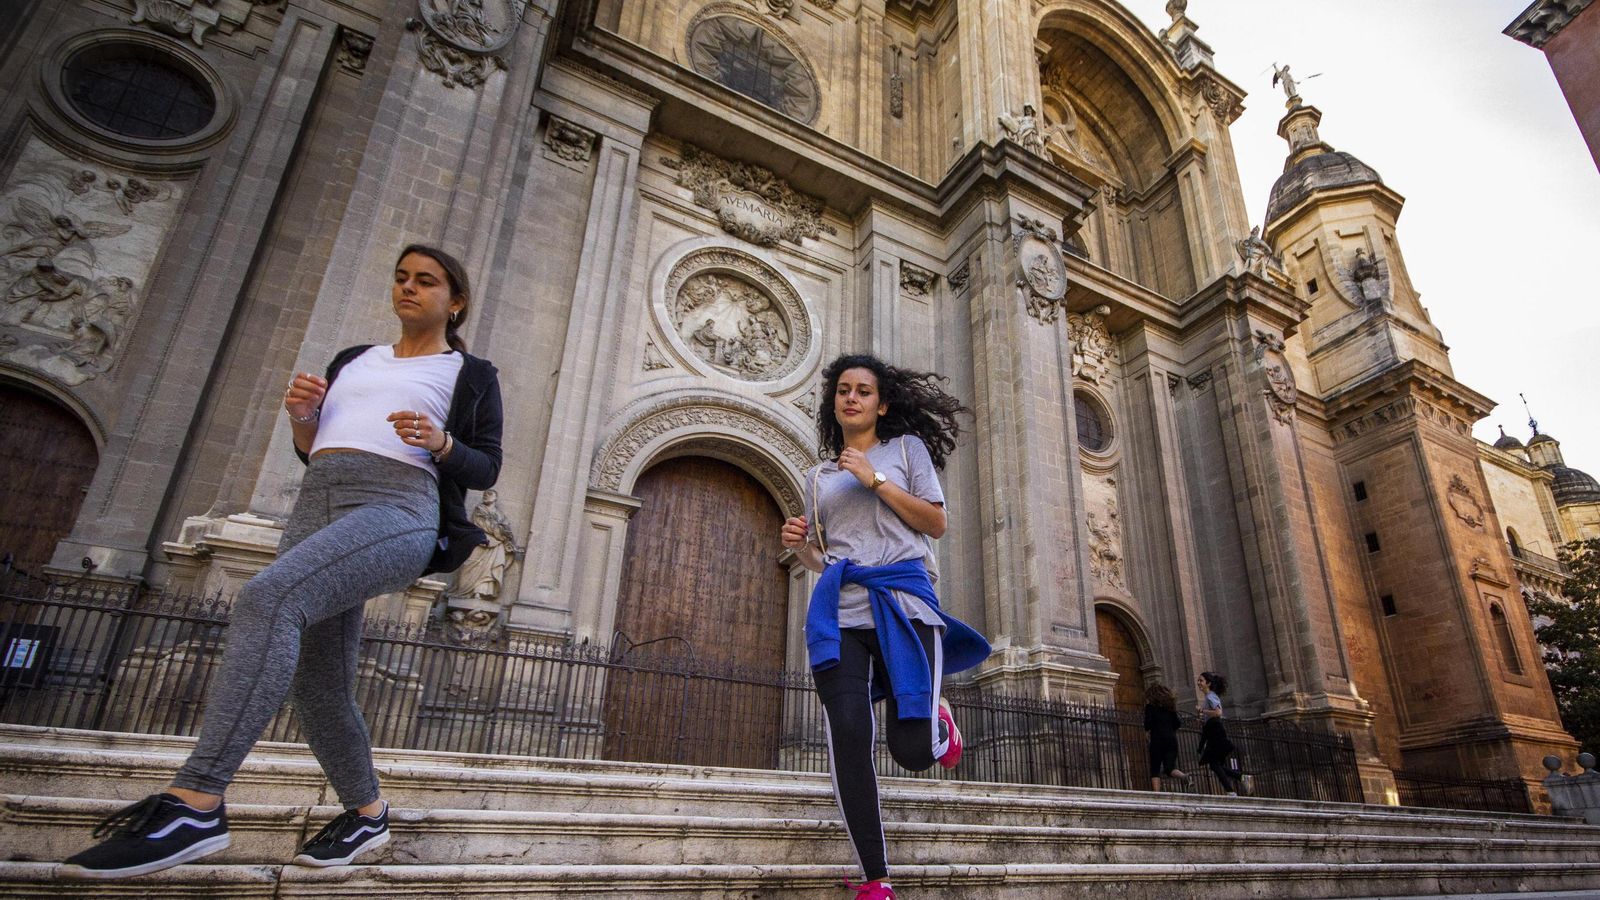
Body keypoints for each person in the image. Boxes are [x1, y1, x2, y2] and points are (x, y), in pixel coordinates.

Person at [61, 243, 504, 879]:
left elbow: (485, 464)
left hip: (397, 509)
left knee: (268, 599)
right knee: (320, 686)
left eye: (427, 281)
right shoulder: (355, 360)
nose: (409, 288)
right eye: (401, 277)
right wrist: (302, 418)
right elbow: (316, 448)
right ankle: (368, 812)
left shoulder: (470, 373)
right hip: (316, 507)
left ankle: (197, 801)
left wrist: (442, 441)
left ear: (454, 301)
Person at [780, 353, 991, 900]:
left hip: (904, 604)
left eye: (864, 391)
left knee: (912, 751)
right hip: (841, 612)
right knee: (848, 735)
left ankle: (939, 725)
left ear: (882, 403)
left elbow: (935, 524)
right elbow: (825, 559)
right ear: (834, 403)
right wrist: (800, 544)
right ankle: (876, 880)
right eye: (843, 390)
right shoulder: (818, 476)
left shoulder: (906, 451)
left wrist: (874, 479)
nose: (852, 397)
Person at [1195, 671, 1242, 796]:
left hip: (1216, 732)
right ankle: (1240, 778)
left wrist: (1203, 711)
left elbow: (1218, 713)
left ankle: (1231, 791)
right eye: (1198, 681)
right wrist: (1202, 717)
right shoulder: (1209, 697)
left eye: (1201, 680)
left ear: (1208, 683)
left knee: (1214, 764)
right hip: (1213, 731)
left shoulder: (1210, 696)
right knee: (1215, 764)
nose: (1198, 683)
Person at [1143, 682, 1188, 791]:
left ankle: (1157, 794)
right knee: (1169, 768)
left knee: (1155, 768)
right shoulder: (1170, 708)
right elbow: (1177, 724)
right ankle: (1183, 776)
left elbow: (1147, 724)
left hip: (1157, 740)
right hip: (1171, 740)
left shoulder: (1150, 707)